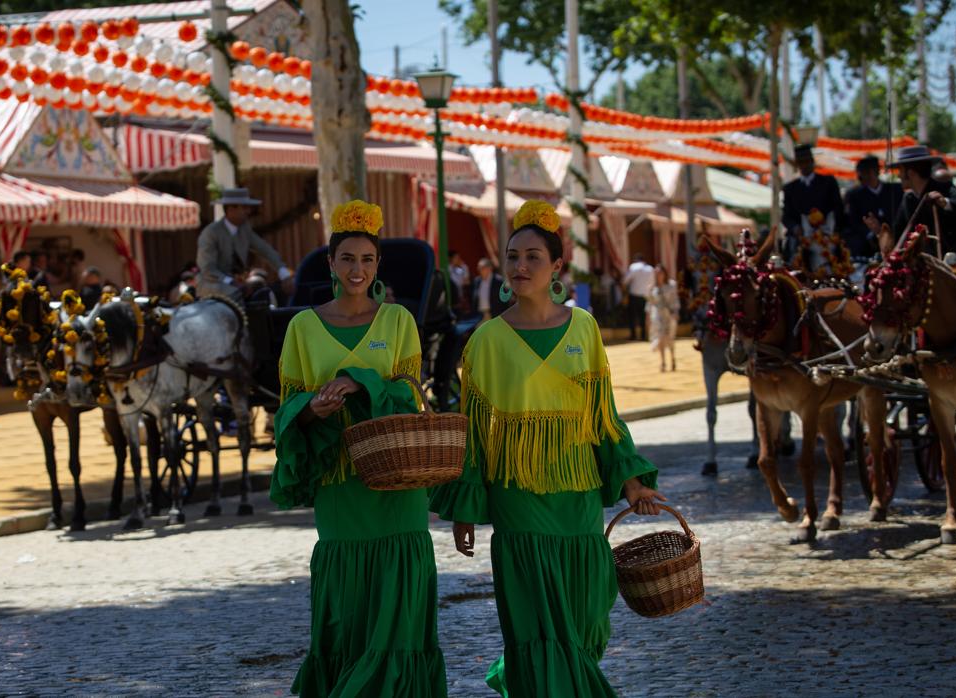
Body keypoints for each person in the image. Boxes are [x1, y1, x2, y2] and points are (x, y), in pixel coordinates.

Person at [430, 200, 664, 697]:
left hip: (577, 498)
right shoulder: (485, 341)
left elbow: (604, 416)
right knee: (536, 624)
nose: (520, 266)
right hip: (518, 502)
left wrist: (632, 481)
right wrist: (465, 511)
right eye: (513, 256)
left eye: (533, 256)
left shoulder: (585, 329)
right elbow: (472, 433)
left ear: (558, 266)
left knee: (584, 620)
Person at [269, 200, 445, 696]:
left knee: (400, 594)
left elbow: (412, 395)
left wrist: (355, 382)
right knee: (347, 599)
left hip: (396, 481)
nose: (358, 270)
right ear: (330, 263)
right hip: (340, 481)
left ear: (377, 267)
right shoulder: (302, 327)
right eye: (348, 259)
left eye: (367, 260)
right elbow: (288, 408)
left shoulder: (398, 321)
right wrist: (312, 409)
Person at [889, 145, 956, 273]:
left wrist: (945, 203)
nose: (898, 176)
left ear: (910, 173)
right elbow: (898, 233)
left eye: (900, 171)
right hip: (922, 261)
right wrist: (879, 232)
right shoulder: (908, 199)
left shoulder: (946, 188)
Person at [196, 187, 293, 302]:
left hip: (237, 284)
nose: (249, 211)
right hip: (212, 283)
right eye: (245, 207)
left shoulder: (244, 229)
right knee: (237, 294)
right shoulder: (211, 232)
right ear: (231, 209)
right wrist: (231, 281)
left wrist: (284, 273)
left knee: (264, 293)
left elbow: (265, 250)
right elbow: (208, 269)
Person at [783, 144, 845, 271]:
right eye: (801, 162)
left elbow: (838, 207)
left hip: (826, 231)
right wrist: (796, 228)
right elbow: (786, 216)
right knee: (792, 251)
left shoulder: (828, 182)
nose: (804, 165)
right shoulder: (790, 188)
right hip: (802, 235)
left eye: (807, 161)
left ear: (812, 162)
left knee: (838, 250)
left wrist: (828, 226)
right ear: (797, 164)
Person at [842, 156, 902, 269]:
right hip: (868, 246)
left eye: (871, 172)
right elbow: (852, 221)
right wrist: (872, 234)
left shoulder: (895, 190)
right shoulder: (854, 195)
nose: (868, 176)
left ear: (877, 172)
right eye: (864, 173)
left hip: (895, 239)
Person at [647, 265, 680, 372]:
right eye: (657, 273)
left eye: (660, 273)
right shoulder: (652, 288)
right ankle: (663, 362)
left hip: (669, 314)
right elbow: (650, 303)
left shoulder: (671, 285)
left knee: (670, 337)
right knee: (660, 337)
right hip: (657, 315)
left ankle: (672, 358)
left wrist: (675, 312)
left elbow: (675, 300)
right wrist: (648, 316)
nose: (658, 275)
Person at [623, 253, 654, 341]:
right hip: (646, 295)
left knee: (632, 316)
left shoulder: (634, 267)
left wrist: (624, 292)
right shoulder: (650, 269)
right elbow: (652, 283)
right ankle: (644, 335)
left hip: (634, 295)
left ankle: (633, 335)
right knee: (643, 316)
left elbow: (626, 280)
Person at [468, 257, 509, 322]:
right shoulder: (477, 281)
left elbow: (505, 300)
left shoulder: (498, 281)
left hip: (494, 315)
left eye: (482, 268)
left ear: (489, 268)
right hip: (479, 315)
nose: (479, 270)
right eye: (479, 268)